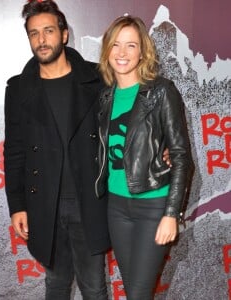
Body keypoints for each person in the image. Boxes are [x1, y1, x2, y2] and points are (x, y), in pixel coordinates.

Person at [3, 1, 110, 299]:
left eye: (48, 31)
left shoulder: (99, 79)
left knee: (94, 287)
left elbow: (124, 126)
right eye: (34, 33)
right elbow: (14, 151)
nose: (41, 39)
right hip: (44, 206)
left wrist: (160, 149)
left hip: (89, 202)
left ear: (63, 35)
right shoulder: (18, 89)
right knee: (56, 286)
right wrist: (17, 205)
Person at [95, 15, 194, 300]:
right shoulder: (105, 98)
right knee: (134, 292)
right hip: (116, 207)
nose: (122, 53)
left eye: (131, 45)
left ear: (142, 52)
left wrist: (171, 214)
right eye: (116, 45)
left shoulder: (161, 91)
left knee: (138, 295)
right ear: (107, 51)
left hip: (153, 206)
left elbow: (181, 156)